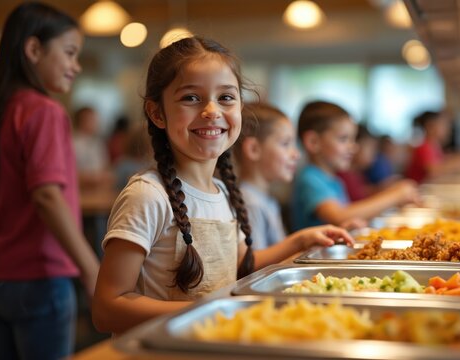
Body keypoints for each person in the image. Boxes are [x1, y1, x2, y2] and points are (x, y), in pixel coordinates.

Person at [92, 37, 354, 334]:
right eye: (191, 98)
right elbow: (107, 308)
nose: (211, 111)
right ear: (157, 113)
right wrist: (215, 309)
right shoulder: (147, 195)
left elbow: (241, 262)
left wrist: (301, 241)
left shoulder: (225, 191)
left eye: (226, 98)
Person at [0, 3, 100, 359]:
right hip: (41, 276)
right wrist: (91, 269)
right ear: (34, 49)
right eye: (70, 53)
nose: (77, 66)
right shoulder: (44, 110)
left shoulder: (5, 109)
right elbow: (47, 196)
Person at [291, 101, 419, 231]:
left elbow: (346, 219)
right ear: (313, 142)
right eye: (343, 139)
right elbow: (340, 216)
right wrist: (395, 196)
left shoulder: (332, 179)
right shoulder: (310, 178)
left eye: (353, 139)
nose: (353, 147)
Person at [232, 103, 300, 249]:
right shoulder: (251, 203)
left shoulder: (265, 198)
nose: (296, 154)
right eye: (285, 143)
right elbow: (255, 265)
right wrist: (300, 242)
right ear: (253, 149)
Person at [404, 110, 460, 183]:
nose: (447, 129)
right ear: (430, 126)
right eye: (443, 125)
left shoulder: (434, 146)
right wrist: (457, 163)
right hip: (420, 190)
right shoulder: (424, 147)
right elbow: (434, 171)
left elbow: (441, 161)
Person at [73, 106, 113, 190]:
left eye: (95, 119)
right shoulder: (73, 143)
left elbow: (105, 167)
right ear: (81, 121)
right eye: (91, 119)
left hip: (98, 188)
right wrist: (93, 177)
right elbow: (72, 172)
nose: (95, 123)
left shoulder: (98, 143)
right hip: (80, 189)